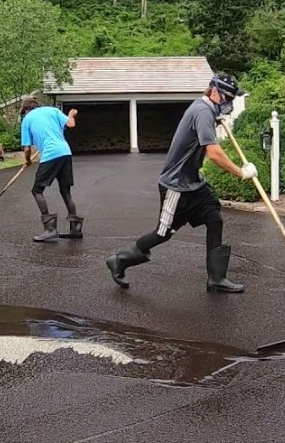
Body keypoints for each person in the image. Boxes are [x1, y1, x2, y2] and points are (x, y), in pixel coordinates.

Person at [105, 74, 257, 293]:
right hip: (176, 185)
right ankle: (119, 260)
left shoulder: (207, 110)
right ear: (214, 92)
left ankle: (217, 278)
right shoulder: (203, 112)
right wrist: (241, 172)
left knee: (214, 218)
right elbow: (214, 153)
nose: (229, 103)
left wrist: (217, 118)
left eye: (231, 99)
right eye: (226, 98)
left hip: (194, 183)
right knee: (163, 233)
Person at [20, 98, 82, 242]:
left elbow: (27, 148)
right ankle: (76, 229)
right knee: (65, 191)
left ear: (27, 110)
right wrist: (71, 114)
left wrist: (28, 161)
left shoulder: (27, 119)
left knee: (37, 190)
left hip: (50, 155)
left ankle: (50, 229)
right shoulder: (53, 111)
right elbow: (71, 124)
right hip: (65, 152)